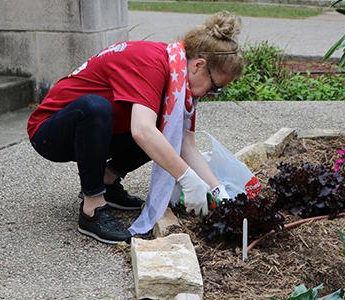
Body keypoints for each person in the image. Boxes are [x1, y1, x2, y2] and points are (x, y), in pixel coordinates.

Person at [27, 11, 245, 244]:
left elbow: (184, 143)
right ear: (198, 66)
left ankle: (106, 181)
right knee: (97, 108)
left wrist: (218, 190)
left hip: (95, 132)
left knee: (162, 131)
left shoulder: (178, 78)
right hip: (49, 132)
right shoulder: (152, 62)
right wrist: (187, 178)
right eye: (216, 87)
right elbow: (142, 130)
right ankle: (92, 207)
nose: (212, 95)